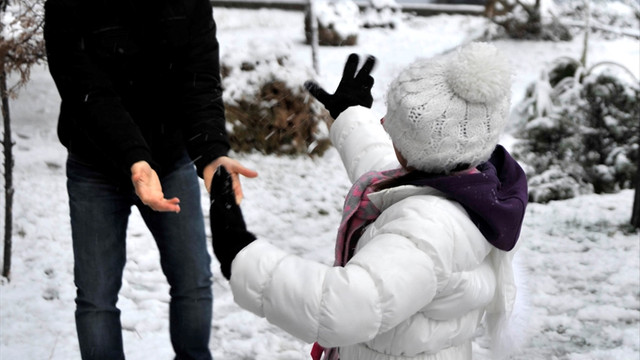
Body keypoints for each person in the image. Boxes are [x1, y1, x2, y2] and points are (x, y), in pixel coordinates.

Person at [210, 42, 529, 360]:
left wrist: (240, 255)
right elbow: (384, 167)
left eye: (396, 125)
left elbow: (344, 307)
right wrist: (350, 115)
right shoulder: (470, 185)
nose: (382, 124)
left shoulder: (426, 229)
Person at [43, 1, 257, 359]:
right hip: (94, 160)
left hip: (169, 158)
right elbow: (82, 85)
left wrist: (211, 152)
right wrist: (134, 157)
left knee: (193, 281)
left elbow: (199, 80)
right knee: (96, 297)